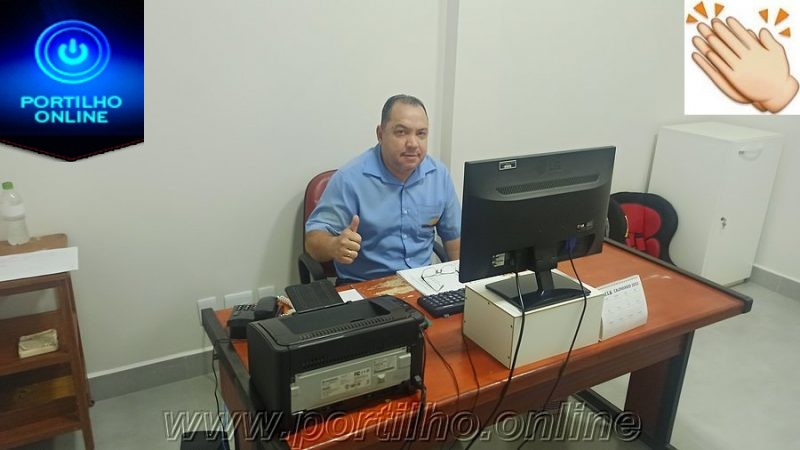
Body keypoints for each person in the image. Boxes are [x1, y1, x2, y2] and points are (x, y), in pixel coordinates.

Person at [305, 94, 461, 282]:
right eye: (401, 132)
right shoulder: (350, 179)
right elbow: (313, 240)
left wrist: (463, 287)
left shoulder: (438, 176)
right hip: (367, 287)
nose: (413, 143)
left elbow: (454, 239)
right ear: (380, 134)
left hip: (424, 284)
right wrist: (333, 245)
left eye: (421, 134)